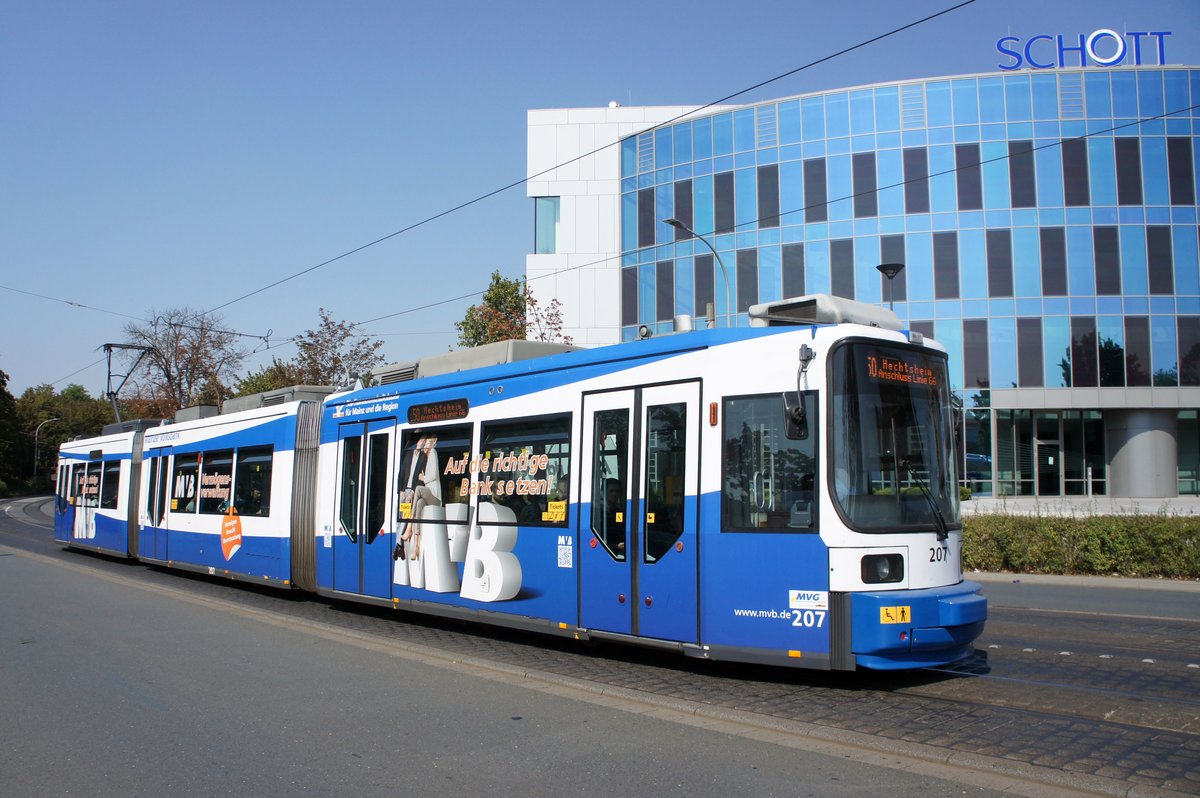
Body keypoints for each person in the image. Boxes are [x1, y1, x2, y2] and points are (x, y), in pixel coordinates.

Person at [396, 435, 441, 560]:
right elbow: (402, 473)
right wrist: (400, 490)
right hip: (405, 491)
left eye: (426, 442)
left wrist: (418, 484)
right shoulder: (410, 454)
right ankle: (412, 545)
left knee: (407, 516)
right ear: (417, 442)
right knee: (402, 517)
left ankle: (408, 530)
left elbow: (430, 476)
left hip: (417, 492)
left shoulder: (427, 456)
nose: (423, 444)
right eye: (422, 441)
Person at [603, 477, 626, 556]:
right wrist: (616, 547)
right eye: (611, 491)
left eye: (617, 491)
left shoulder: (621, 512)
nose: (614, 494)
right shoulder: (597, 513)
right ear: (604, 492)